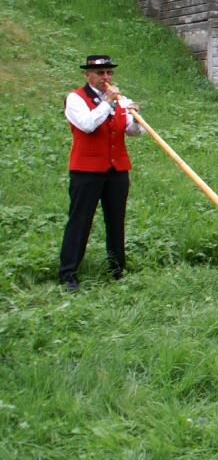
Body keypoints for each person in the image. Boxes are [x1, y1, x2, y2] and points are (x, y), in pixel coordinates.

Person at [60, 54, 143, 291]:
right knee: (80, 220)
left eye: (109, 72)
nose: (105, 77)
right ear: (88, 75)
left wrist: (136, 118)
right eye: (100, 73)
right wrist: (107, 102)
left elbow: (133, 132)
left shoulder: (121, 100)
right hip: (86, 170)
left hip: (117, 170)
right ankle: (68, 274)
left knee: (116, 220)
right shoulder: (75, 98)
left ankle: (117, 269)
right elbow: (87, 125)